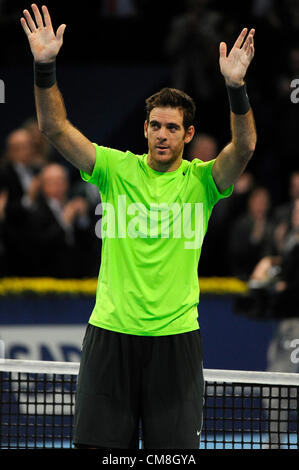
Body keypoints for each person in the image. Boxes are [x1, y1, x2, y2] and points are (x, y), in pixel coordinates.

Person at [21, 4, 256, 449]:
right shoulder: (113, 169)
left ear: (187, 135)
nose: (162, 134)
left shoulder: (203, 182)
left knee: (173, 457)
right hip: (110, 334)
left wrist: (236, 87)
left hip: (176, 341)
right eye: (154, 126)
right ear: (145, 129)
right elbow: (53, 127)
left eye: (172, 127)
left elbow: (244, 147)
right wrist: (45, 64)